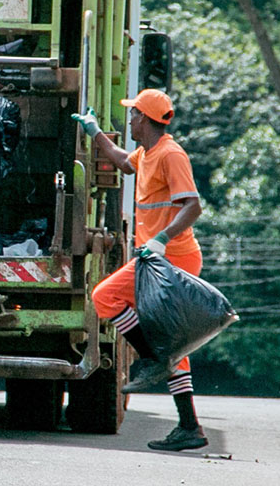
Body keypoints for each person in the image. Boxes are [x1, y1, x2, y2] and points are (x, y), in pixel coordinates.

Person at [72, 88, 206, 452]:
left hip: (171, 258)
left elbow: (193, 206)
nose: (129, 119)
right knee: (174, 346)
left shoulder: (171, 154)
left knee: (105, 295)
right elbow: (121, 160)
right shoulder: (147, 153)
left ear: (145, 119)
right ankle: (189, 425)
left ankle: (151, 361)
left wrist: (161, 238)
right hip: (158, 258)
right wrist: (94, 131)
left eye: (132, 115)